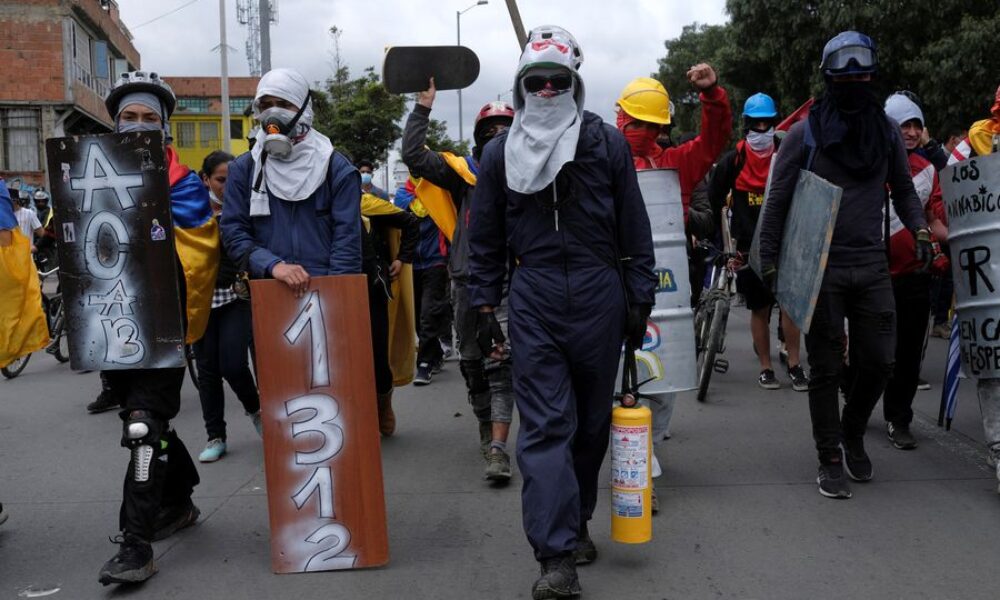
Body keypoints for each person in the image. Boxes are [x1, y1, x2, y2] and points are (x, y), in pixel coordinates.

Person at [468, 26, 656, 598]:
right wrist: (485, 304)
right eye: (536, 82)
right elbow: (486, 239)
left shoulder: (606, 144)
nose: (547, 91)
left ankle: (576, 526)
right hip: (536, 296)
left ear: (575, 84)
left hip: (602, 295)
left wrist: (638, 296)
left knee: (590, 427)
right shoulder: (500, 154)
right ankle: (555, 557)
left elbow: (634, 228)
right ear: (521, 88)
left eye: (558, 81)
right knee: (547, 428)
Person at [757, 32, 930, 500]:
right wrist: (768, 261)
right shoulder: (804, 133)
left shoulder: (886, 133)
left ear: (871, 77)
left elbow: (904, 188)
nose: (854, 81)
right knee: (827, 367)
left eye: (862, 74)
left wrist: (919, 229)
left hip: (871, 266)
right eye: (845, 74)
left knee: (879, 361)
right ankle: (830, 454)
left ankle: (853, 430)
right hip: (822, 269)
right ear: (830, 78)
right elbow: (776, 201)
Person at [98, 71, 220, 585]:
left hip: (160, 324)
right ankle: (180, 498)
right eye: (130, 117)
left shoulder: (184, 184)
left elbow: (200, 252)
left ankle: (135, 545)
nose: (139, 125)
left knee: (143, 426)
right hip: (111, 325)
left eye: (150, 118)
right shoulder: (89, 174)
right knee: (146, 421)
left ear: (166, 128)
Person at [613, 66, 730, 505]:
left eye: (653, 125)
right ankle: (629, 449)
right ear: (619, 118)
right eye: (636, 123)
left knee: (662, 375)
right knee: (615, 374)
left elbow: (714, 141)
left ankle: (649, 445)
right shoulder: (596, 161)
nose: (642, 133)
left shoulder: (675, 164)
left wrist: (713, 96)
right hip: (610, 289)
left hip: (665, 295)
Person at [402, 78, 517, 480]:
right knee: (473, 364)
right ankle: (487, 429)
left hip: (517, 284)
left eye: (506, 131)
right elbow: (415, 155)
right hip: (468, 284)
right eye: (490, 133)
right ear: (479, 140)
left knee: (505, 366)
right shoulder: (463, 174)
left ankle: (501, 448)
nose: (498, 138)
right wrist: (422, 107)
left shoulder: (529, 173)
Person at [222, 68, 362, 297]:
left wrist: (335, 297)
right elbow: (233, 232)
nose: (273, 113)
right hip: (267, 290)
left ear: (304, 108)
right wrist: (272, 265)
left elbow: (347, 243)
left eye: (284, 104)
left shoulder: (336, 169)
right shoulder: (244, 169)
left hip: (325, 291)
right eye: (266, 105)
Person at [708, 93, 808, 392]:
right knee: (760, 308)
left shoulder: (787, 152)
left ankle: (794, 364)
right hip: (749, 248)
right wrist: (718, 242)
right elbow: (713, 200)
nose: (762, 130)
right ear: (747, 125)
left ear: (775, 123)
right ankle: (765, 367)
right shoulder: (734, 160)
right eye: (756, 124)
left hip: (787, 244)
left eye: (767, 124)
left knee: (790, 308)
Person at [878, 92, 949, 450]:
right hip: (872, 276)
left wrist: (963, 239)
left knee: (907, 354)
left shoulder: (928, 169)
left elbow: (935, 219)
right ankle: (854, 397)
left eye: (915, 125)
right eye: (902, 125)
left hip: (914, 276)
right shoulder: (869, 165)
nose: (909, 132)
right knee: (872, 353)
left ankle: (898, 418)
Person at [192, 150, 262, 463]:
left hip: (237, 297)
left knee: (233, 364)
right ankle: (215, 435)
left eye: (234, 179)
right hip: (199, 302)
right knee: (206, 372)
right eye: (221, 180)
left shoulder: (250, 209)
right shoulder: (189, 213)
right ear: (205, 179)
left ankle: (256, 411)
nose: (228, 185)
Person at [947, 82, 1000, 492]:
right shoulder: (970, 146)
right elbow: (946, 195)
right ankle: (999, 448)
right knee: (994, 364)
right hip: (986, 277)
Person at [360, 180, 418, 436]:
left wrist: (402, 257)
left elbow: (411, 222)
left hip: (374, 289)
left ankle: (383, 402)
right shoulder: (320, 206)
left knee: (377, 356)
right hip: (335, 290)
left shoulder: (369, 204)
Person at [395, 177, 451, 386]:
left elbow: (448, 222)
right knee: (418, 316)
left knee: (429, 313)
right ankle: (434, 352)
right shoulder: (402, 196)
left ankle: (424, 363)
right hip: (411, 265)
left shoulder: (439, 194)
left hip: (435, 261)